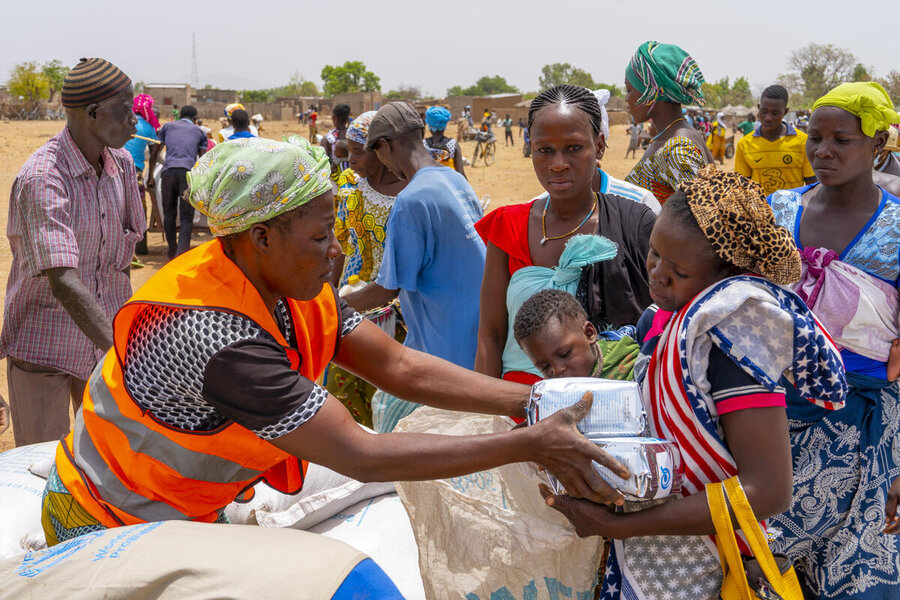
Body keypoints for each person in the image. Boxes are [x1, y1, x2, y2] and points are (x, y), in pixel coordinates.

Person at [40, 136, 628, 564]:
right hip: (113, 519)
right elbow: (360, 454)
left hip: (184, 507)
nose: (336, 252)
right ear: (262, 237)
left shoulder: (284, 286)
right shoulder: (215, 336)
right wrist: (528, 442)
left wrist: (531, 402)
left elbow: (397, 365)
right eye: (322, 236)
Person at [541, 166, 847, 599]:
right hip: (652, 558)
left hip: (710, 568)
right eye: (653, 253)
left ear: (724, 275)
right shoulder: (662, 322)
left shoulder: (729, 340)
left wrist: (622, 525)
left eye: (678, 271)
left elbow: (769, 490)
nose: (657, 274)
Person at [767, 81, 900, 599]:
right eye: (814, 136)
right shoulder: (779, 212)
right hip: (778, 421)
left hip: (872, 426)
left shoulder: (896, 228)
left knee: (857, 576)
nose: (822, 150)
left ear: (878, 145)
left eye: (840, 139)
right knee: (766, 572)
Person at [0, 57, 146, 447]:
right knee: (41, 468)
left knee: (105, 464)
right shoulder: (44, 177)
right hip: (45, 349)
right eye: (126, 110)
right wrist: (122, 353)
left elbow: (119, 265)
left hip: (102, 355)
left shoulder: (123, 166)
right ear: (94, 113)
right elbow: (64, 281)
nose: (135, 120)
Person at [474, 86, 656, 386]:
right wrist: (486, 414)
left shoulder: (635, 223)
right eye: (544, 150)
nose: (557, 163)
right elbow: (490, 335)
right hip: (519, 407)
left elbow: (664, 319)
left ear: (599, 146)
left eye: (573, 148)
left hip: (612, 403)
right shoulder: (508, 226)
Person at [342, 102, 486, 430]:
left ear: (384, 146)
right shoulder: (455, 181)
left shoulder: (411, 200)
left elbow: (386, 289)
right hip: (479, 345)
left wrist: (336, 305)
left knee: (394, 433)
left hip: (439, 359)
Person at [327, 112, 407, 427]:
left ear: (381, 150)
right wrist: (330, 294)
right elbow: (340, 247)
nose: (351, 160)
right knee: (341, 379)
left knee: (388, 384)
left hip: (402, 309)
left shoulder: (411, 194)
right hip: (355, 298)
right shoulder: (353, 194)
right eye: (348, 151)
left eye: (359, 151)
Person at [623, 41, 713, 204]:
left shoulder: (677, 149)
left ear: (651, 90)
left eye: (629, 90)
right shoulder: (673, 137)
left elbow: (702, 218)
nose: (626, 99)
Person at [514, 288, 640, 382]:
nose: (557, 370)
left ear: (589, 334)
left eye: (564, 354)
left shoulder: (630, 357)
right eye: (545, 367)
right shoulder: (552, 395)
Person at [148, 105, 207, 259]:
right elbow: (203, 160)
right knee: (187, 216)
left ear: (179, 115)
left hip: (168, 173)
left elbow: (155, 152)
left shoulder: (167, 127)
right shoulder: (200, 132)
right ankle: (181, 254)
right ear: (195, 118)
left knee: (169, 214)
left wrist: (149, 176)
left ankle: (172, 250)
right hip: (187, 174)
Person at [734, 85, 817, 195]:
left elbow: (812, 186)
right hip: (759, 211)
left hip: (793, 211)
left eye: (775, 113)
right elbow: (742, 187)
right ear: (759, 108)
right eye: (764, 111)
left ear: (785, 112)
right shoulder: (745, 144)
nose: (768, 118)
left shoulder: (803, 142)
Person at [123, 93, 161, 257]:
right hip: (135, 170)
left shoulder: (122, 122)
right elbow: (154, 155)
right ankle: (141, 248)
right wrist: (150, 175)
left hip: (113, 167)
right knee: (139, 207)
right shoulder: (149, 128)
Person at [423, 105, 465, 177]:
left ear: (429, 126)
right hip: (450, 184)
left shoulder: (423, 145)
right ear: (444, 126)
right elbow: (460, 172)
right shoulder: (453, 145)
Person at [323, 103, 352, 180]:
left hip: (336, 179)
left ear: (334, 117)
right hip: (354, 177)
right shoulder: (353, 136)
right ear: (347, 118)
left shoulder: (328, 138)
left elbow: (323, 161)